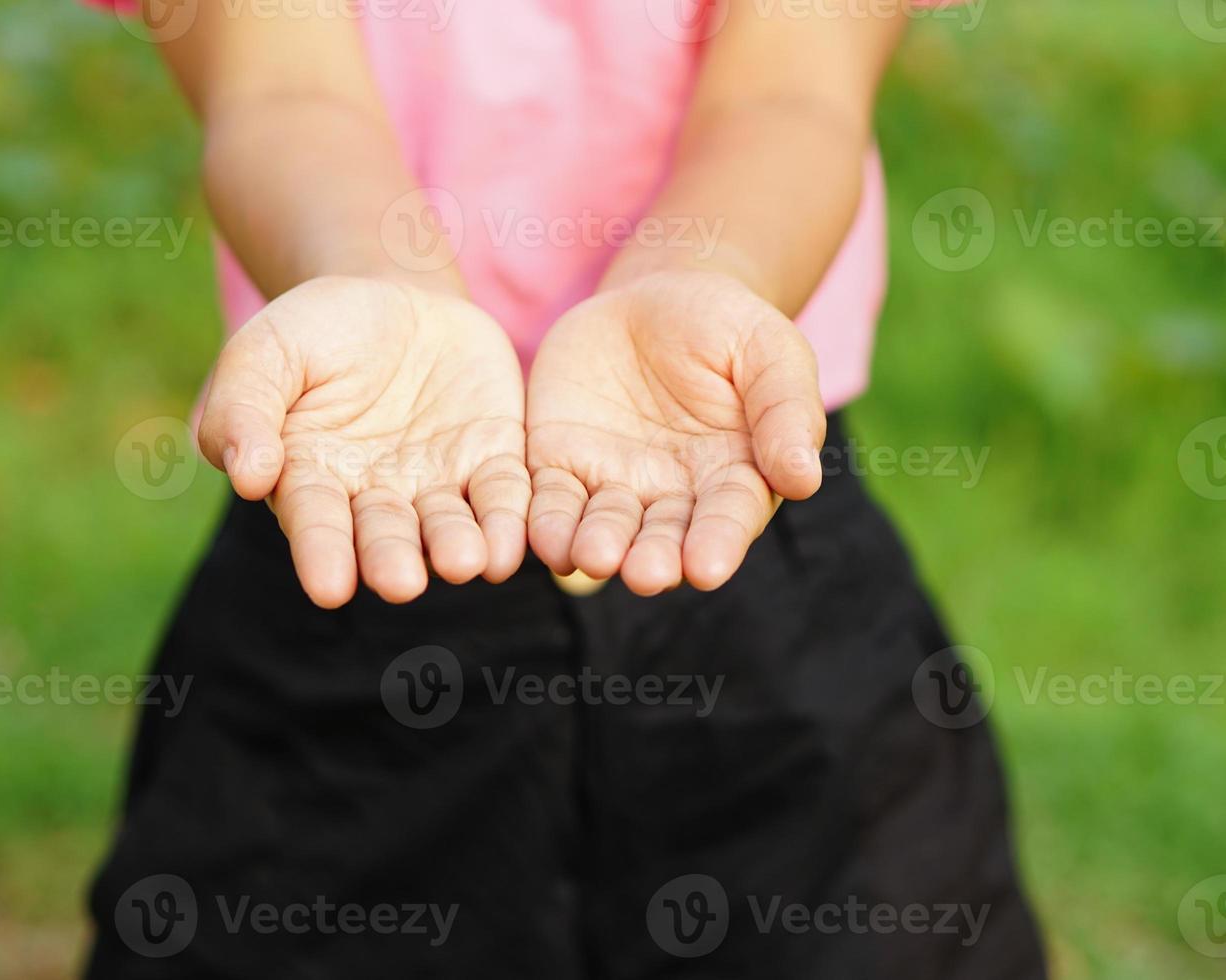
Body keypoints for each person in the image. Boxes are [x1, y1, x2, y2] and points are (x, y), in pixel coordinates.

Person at [80, 0, 1048, 975]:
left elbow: (793, 95)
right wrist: (378, 278)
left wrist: (703, 277)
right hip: (365, 499)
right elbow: (279, 90)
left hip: (724, 485)